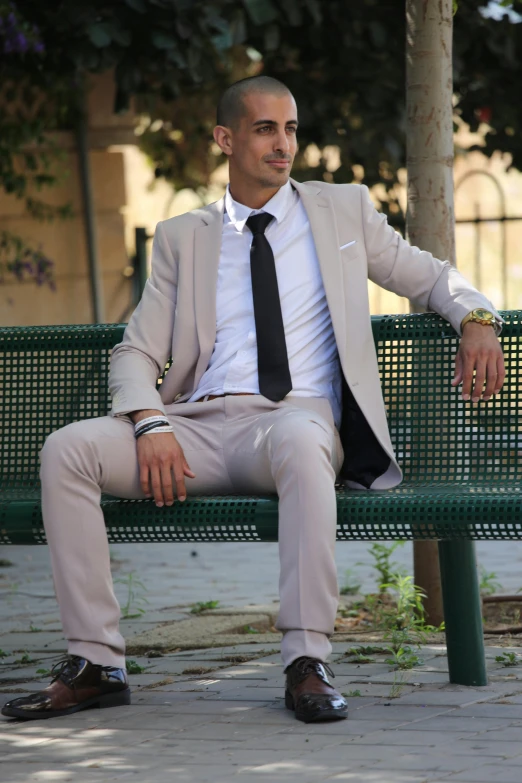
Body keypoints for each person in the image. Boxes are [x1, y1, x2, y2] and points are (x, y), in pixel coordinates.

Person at [2, 76, 505, 724]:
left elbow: (432, 276)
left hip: (292, 423)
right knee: (68, 449)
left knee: (299, 438)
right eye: (266, 128)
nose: (283, 144)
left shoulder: (342, 211)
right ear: (226, 138)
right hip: (197, 430)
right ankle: (96, 662)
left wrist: (478, 318)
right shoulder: (185, 237)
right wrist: (150, 418)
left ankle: (306, 661)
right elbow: (134, 351)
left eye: (291, 128)